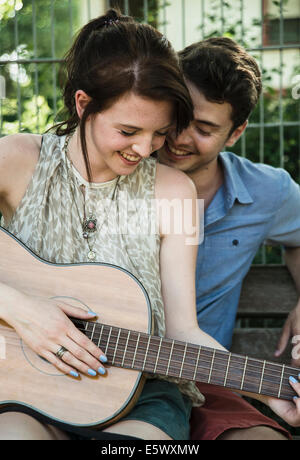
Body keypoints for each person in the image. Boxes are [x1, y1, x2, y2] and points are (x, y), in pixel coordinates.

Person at [0, 11, 299, 441]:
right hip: (24, 389)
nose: (145, 148)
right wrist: (22, 309)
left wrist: (270, 391)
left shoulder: (175, 192)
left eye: (159, 132)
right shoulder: (17, 161)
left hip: (142, 393)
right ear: (84, 105)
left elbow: (182, 330)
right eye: (128, 130)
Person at [158, 37, 300, 440]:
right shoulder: (120, 171)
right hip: (110, 367)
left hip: (210, 381)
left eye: (204, 129)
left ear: (235, 133)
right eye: (179, 115)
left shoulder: (267, 193)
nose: (180, 137)